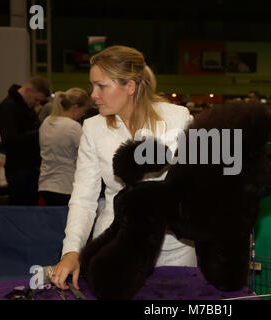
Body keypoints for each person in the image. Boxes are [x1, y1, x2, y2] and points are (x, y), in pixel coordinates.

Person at [51, 45, 197, 291]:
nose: (93, 94)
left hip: (174, 251)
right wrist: (72, 250)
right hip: (115, 248)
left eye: (101, 86)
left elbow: (196, 187)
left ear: (130, 86)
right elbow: (84, 198)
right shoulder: (92, 128)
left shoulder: (178, 119)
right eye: (92, 86)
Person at [0, 76, 50, 205]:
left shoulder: (26, 106)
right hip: (18, 170)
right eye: (36, 100)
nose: (37, 104)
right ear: (28, 90)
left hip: (30, 169)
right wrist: (40, 132)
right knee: (21, 211)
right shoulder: (8, 107)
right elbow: (9, 140)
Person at [38, 88, 90, 206]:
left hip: (45, 185)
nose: (83, 114)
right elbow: (87, 155)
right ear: (75, 107)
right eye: (83, 110)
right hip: (65, 186)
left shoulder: (46, 122)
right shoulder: (73, 126)